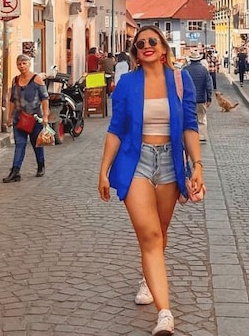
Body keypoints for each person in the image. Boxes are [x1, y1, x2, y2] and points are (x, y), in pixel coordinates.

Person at [98, 25, 203, 336]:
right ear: (135, 51)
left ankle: (148, 277)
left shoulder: (180, 80)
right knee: (150, 236)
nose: (146, 45)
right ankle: (165, 313)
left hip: (170, 161)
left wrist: (197, 164)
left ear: (163, 47)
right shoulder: (127, 83)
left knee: (161, 230)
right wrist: (104, 170)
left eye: (152, 41)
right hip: (136, 161)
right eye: (140, 43)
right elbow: (116, 128)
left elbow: (189, 125)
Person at [3, 54, 51, 183]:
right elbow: (12, 100)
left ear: (29, 64)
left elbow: (45, 98)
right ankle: (15, 171)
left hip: (35, 118)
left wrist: (45, 115)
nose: (22, 66)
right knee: (20, 144)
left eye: (24, 63)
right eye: (19, 64)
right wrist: (10, 116)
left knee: (37, 144)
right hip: (19, 118)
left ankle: (41, 165)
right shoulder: (15, 80)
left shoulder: (37, 80)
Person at [184, 49, 213, 142]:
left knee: (189, 118)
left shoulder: (185, 70)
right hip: (201, 99)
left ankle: (190, 136)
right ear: (199, 59)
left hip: (188, 99)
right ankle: (201, 136)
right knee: (201, 118)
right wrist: (209, 98)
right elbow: (209, 85)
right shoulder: (204, 70)